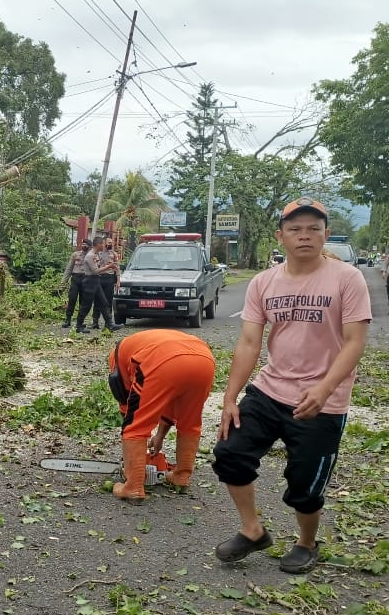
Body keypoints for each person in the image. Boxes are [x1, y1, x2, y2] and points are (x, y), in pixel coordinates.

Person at [212, 198, 371, 574]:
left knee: (305, 484)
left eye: (313, 229)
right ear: (280, 236)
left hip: (323, 401)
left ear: (325, 235)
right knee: (230, 453)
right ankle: (252, 531)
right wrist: (230, 397)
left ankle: (306, 542)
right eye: (296, 229)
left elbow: (354, 342)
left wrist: (324, 389)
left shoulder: (347, 278)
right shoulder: (264, 282)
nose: (305, 236)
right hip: (269, 391)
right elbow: (250, 342)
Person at [107, 329, 216, 503]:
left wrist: (134, 452)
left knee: (135, 426)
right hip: (204, 360)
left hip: (161, 360)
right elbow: (171, 400)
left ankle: (133, 486)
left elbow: (129, 409)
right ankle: (181, 476)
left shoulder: (116, 358)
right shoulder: (141, 342)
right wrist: (159, 436)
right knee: (190, 423)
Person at [75, 237, 120, 333]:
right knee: (86, 305)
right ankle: (79, 325)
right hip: (90, 281)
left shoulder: (95, 255)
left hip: (96, 281)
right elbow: (95, 271)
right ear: (98, 244)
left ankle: (110, 324)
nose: (103, 246)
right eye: (102, 244)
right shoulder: (90, 256)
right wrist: (109, 266)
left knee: (103, 302)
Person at [61, 239, 92, 328]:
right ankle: (68, 319)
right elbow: (69, 268)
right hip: (75, 278)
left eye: (86, 244)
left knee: (83, 301)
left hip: (86, 279)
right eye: (83, 244)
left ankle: (80, 321)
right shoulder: (75, 255)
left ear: (89, 247)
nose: (84, 246)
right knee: (72, 299)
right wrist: (64, 281)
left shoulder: (91, 256)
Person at [92, 240, 120, 330]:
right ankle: (95, 322)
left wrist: (118, 281)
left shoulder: (114, 254)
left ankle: (108, 323)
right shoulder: (97, 254)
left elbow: (117, 268)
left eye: (111, 242)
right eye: (108, 242)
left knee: (108, 301)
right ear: (104, 243)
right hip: (99, 277)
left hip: (109, 278)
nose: (110, 244)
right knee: (97, 300)